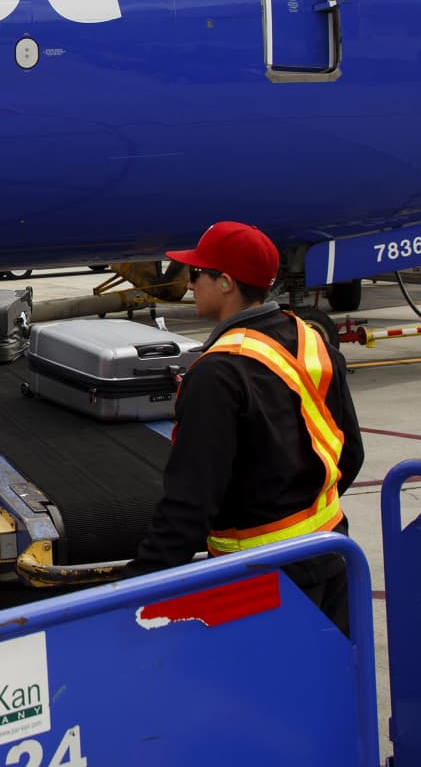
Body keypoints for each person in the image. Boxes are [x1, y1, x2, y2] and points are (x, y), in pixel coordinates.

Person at [122, 220, 365, 635]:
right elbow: (351, 454)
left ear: (226, 283)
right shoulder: (310, 339)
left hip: (260, 582)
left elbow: (190, 507)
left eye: (196, 273)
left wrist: (132, 591)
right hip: (330, 556)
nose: (190, 283)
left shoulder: (218, 373)